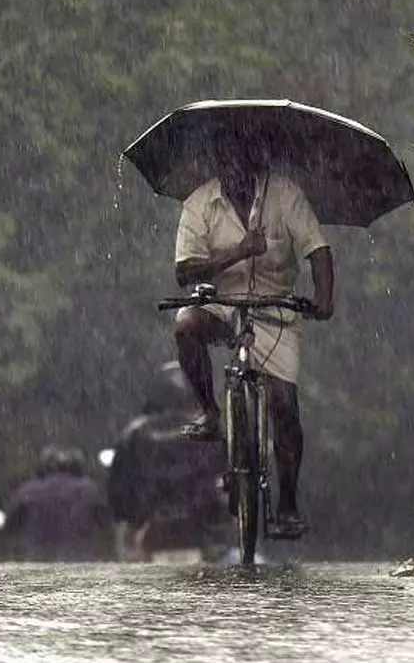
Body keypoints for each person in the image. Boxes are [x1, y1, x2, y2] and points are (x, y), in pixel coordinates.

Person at [172, 123, 334, 540]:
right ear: (218, 167)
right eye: (227, 164)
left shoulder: (285, 195)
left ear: (257, 163)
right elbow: (184, 271)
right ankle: (209, 412)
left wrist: (323, 298)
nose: (236, 173)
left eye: (243, 164)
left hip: (275, 307)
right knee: (186, 324)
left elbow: (318, 250)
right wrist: (238, 252)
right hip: (220, 303)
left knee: (284, 405)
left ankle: (288, 503)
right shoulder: (199, 203)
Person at [108, 361, 229, 561]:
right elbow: (225, 483)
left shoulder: (134, 433)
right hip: (200, 532)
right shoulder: (210, 432)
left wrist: (131, 519)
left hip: (149, 531)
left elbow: (118, 491)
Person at [2, 445, 112, 562]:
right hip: (79, 557)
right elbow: (105, 523)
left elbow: (11, 524)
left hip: (38, 555)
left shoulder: (28, 491)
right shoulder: (90, 490)